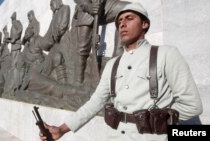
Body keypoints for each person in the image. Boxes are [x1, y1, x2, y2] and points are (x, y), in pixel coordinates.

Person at [39, 2, 203, 141]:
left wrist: (158, 123)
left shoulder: (166, 55)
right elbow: (94, 103)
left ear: (144, 24)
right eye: (119, 22)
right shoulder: (112, 65)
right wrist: (61, 129)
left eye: (129, 18)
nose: (122, 24)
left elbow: (192, 106)